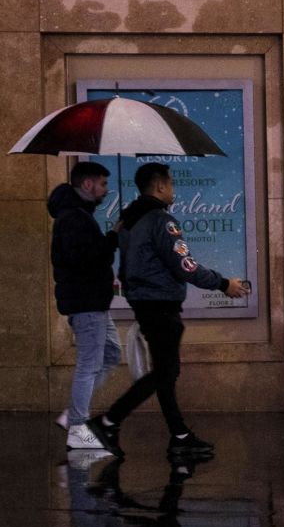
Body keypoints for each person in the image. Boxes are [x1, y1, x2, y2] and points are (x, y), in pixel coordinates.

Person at [88, 162, 248, 456]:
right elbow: (185, 266)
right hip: (160, 304)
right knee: (166, 371)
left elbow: (124, 266)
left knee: (165, 370)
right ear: (160, 186)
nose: (173, 189)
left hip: (143, 301)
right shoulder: (161, 221)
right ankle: (107, 421)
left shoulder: (128, 220)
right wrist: (224, 284)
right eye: (171, 184)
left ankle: (180, 435)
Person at [49, 162, 123, 450]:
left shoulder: (78, 216)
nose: (106, 190)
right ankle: (78, 427)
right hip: (86, 303)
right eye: (103, 184)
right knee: (89, 365)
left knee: (111, 354)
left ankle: (73, 415)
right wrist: (114, 236)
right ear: (88, 184)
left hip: (93, 302)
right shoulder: (73, 219)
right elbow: (87, 259)